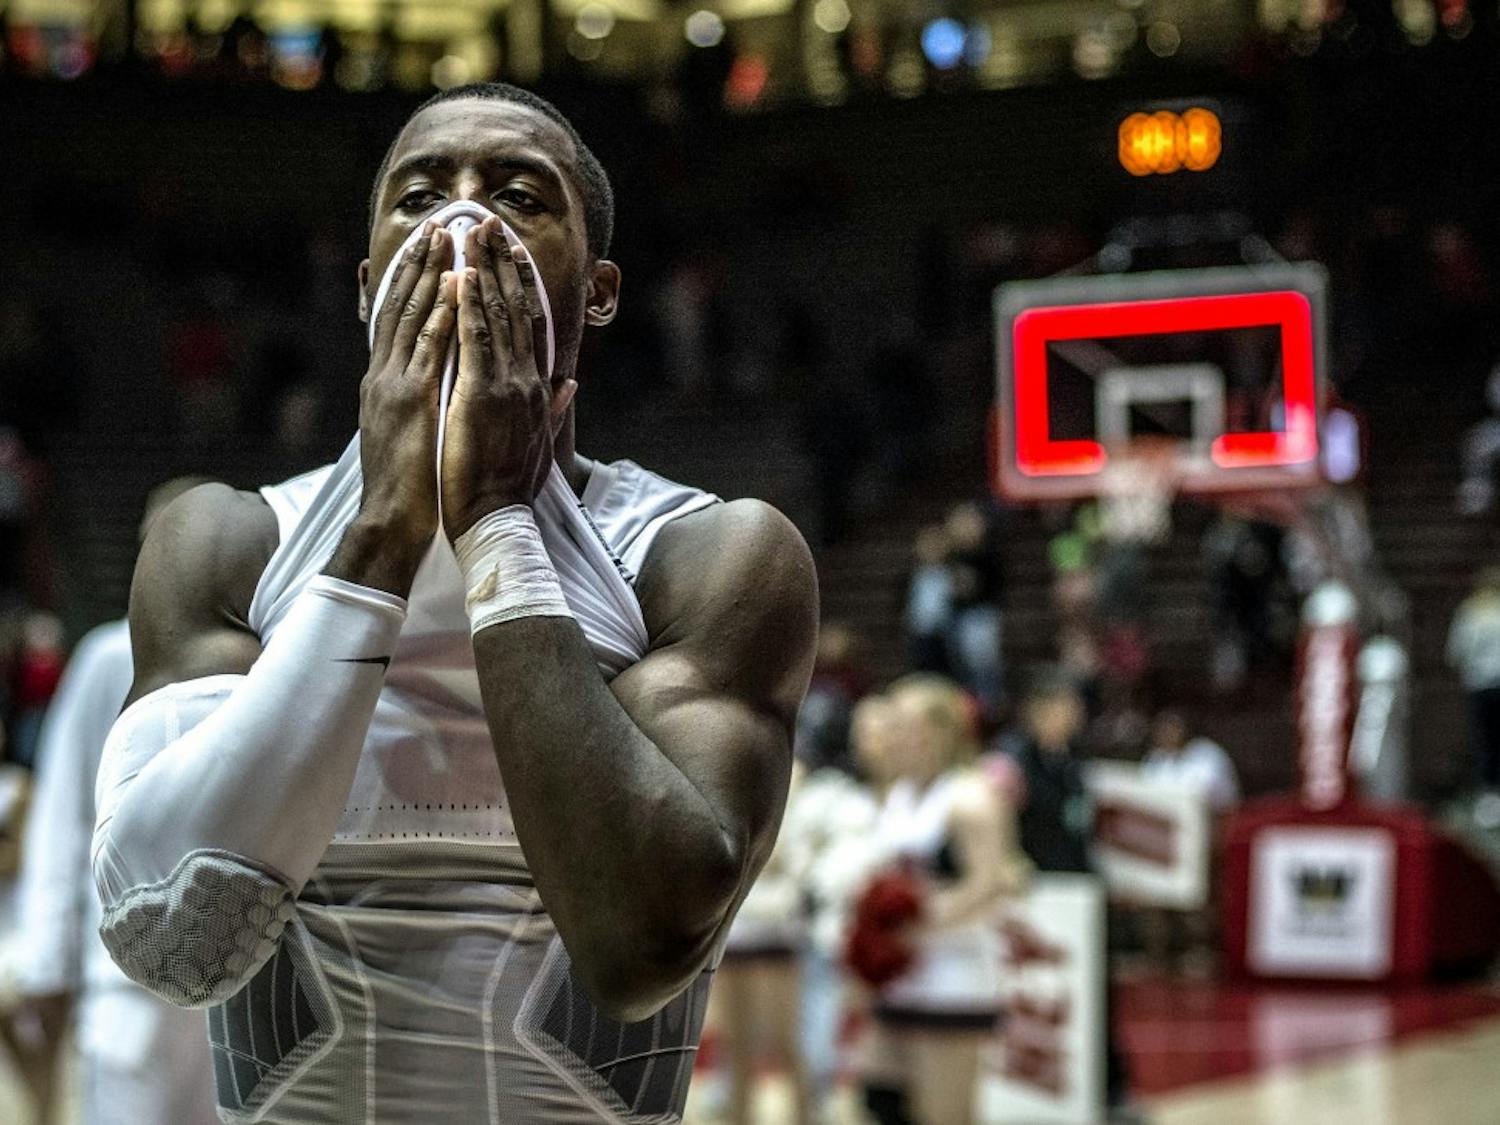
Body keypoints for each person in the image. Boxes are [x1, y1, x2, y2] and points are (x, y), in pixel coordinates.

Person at [90, 82, 818, 1124]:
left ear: (601, 291)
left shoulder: (707, 557)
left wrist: (496, 525)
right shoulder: (225, 540)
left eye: (521, 196)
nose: (463, 224)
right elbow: (166, 941)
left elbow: (637, 948)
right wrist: (381, 535)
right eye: (420, 195)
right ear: (365, 282)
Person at [6, 479, 219, 1125]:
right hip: (125, 985)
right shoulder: (105, 655)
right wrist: (48, 958)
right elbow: (63, 813)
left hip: (228, 984)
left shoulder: (259, 655)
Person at [861, 675, 1028, 1125]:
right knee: (881, 1097)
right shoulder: (899, 793)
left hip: (954, 977)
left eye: (901, 724)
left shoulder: (970, 796)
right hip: (901, 974)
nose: (889, 735)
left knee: (944, 1114)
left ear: (936, 732)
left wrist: (920, 919)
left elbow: (992, 883)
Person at [1448, 566, 1500, 820]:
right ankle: (1490, 793)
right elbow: (1457, 650)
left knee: (1487, 740)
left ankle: (1490, 794)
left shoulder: (1471, 614)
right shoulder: (1471, 613)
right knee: (1488, 739)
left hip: (1481, 683)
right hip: (1485, 684)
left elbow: (1456, 652)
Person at [1140, 708, 1240, 813]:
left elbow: (1209, 792)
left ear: (1183, 730)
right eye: (1162, 730)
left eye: (1171, 728)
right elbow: (1147, 791)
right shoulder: (1156, 758)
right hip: (1169, 816)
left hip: (1214, 815)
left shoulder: (1206, 752)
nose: (1166, 734)